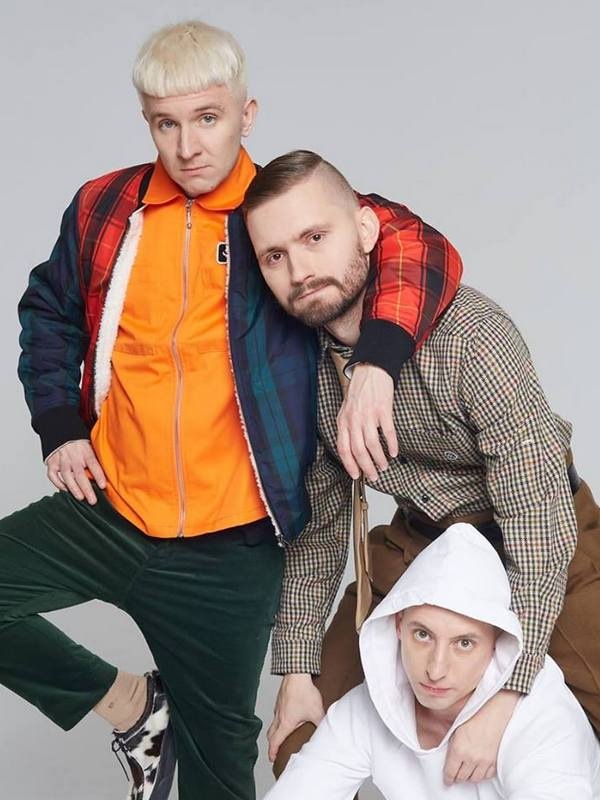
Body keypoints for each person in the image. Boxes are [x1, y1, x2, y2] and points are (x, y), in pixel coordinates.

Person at [3, 21, 463, 800]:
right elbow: (50, 309)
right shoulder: (107, 208)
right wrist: (59, 425)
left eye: (208, 118)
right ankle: (134, 709)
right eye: (166, 124)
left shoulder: (274, 214)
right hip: (112, 509)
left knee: (219, 775)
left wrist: (377, 367)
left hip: (232, 548)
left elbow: (418, 247)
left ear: (247, 115)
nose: (188, 146)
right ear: (147, 121)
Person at [242, 149, 600, 786]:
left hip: (540, 538)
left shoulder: (471, 337)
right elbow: (320, 529)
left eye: (315, 238)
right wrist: (295, 668)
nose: (299, 271)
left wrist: (507, 694)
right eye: (275, 256)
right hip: (421, 544)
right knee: (303, 730)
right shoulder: (306, 368)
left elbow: (534, 516)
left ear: (366, 229)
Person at [264, 525, 600, 800]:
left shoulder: (542, 719)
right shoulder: (367, 706)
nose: (435, 670)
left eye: (464, 643)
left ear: (497, 643)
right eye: (422, 635)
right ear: (398, 625)